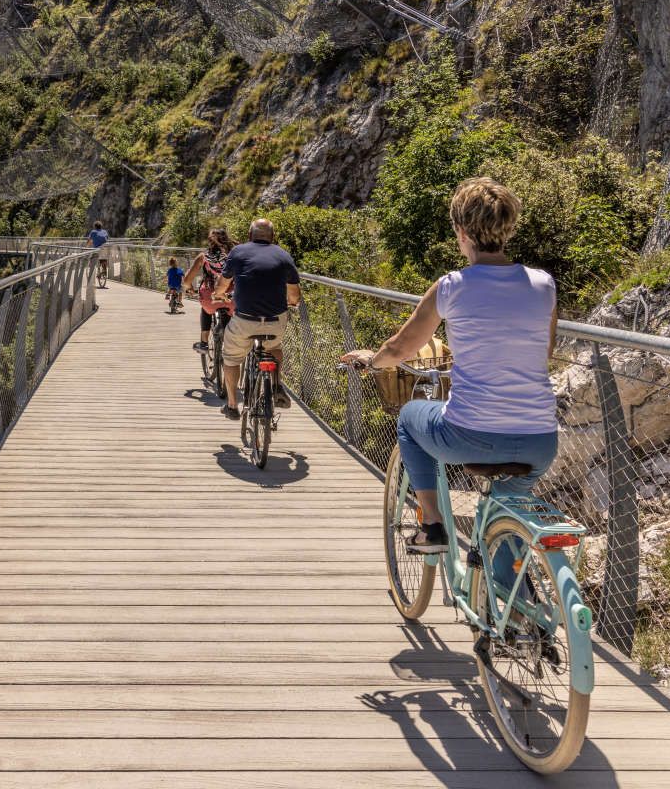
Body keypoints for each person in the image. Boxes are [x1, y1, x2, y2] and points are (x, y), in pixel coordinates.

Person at [340, 177, 558, 554]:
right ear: (509, 228)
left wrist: (373, 362)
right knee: (506, 516)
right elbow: (545, 351)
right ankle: (516, 606)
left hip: (471, 433)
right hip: (540, 438)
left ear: (461, 232)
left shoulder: (451, 286)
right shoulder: (544, 284)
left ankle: (433, 525)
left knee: (410, 416)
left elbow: (401, 347)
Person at [212, 219, 300, 420]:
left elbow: (222, 284)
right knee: (274, 347)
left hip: (244, 320)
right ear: (272, 237)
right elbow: (294, 294)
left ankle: (233, 405)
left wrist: (219, 295)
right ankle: (276, 384)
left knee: (232, 358)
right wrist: (292, 303)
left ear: (249, 236)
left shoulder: (238, 252)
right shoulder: (283, 255)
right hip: (274, 320)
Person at [182, 227, 235, 353]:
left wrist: (189, 288)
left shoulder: (203, 257)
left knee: (206, 309)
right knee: (232, 312)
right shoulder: (233, 256)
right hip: (231, 297)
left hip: (210, 298)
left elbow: (187, 281)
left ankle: (204, 343)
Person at [88, 220, 110, 288]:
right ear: (101, 226)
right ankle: (104, 272)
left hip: (97, 249)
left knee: (92, 260)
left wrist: (87, 247)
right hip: (106, 249)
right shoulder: (105, 231)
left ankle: (91, 278)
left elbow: (89, 241)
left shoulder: (93, 232)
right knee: (103, 259)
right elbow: (107, 239)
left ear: (95, 226)